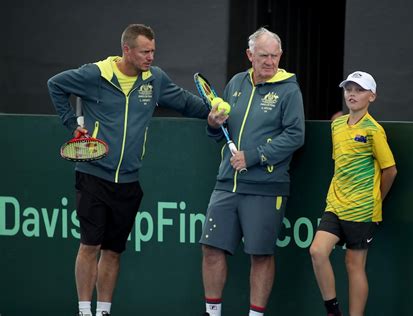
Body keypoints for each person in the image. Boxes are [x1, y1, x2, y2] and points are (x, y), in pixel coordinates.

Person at [47, 24, 211, 316]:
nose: (150, 57)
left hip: (129, 181)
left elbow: (185, 103)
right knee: (90, 245)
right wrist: (72, 125)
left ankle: (104, 311)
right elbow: (55, 85)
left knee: (113, 251)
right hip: (94, 175)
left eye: (153, 51)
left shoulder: (155, 79)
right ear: (127, 50)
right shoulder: (95, 74)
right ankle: (85, 310)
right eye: (144, 51)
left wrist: (212, 113)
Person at [200, 27, 305, 316]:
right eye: (263, 56)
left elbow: (296, 135)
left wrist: (255, 156)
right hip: (226, 184)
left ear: (280, 55)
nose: (270, 61)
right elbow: (221, 133)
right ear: (250, 55)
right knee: (211, 249)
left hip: (266, 186)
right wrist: (213, 123)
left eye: (274, 55)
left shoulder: (289, 90)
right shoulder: (235, 83)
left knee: (260, 255)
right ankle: (212, 313)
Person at [309, 71, 397, 316]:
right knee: (317, 251)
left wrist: (376, 199)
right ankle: (333, 310)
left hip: (362, 209)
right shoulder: (336, 125)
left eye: (359, 90)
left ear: (372, 96)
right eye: (349, 89)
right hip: (334, 204)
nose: (352, 94)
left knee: (353, 265)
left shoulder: (374, 131)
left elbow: (390, 170)